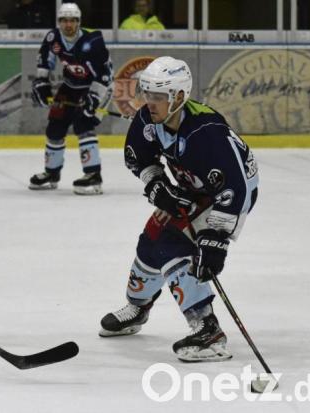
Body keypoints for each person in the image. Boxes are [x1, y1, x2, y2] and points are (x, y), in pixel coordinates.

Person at [98, 56, 259, 362]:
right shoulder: (148, 119)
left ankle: (208, 332)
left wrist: (216, 238)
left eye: (158, 97)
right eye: (147, 94)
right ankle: (138, 307)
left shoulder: (206, 134)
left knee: (175, 247)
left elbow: (234, 189)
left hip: (227, 194)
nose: (150, 103)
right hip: (192, 186)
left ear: (180, 97)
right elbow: (139, 158)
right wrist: (157, 186)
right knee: (151, 240)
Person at [29, 2, 112, 195]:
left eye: (72, 21)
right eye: (64, 21)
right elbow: (44, 61)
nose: (68, 25)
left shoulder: (93, 40)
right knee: (55, 126)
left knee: (83, 123)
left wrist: (93, 99)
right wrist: (41, 83)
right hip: (71, 86)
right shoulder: (53, 37)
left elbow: (104, 75)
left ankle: (93, 175)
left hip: (99, 86)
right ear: (59, 22)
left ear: (79, 22)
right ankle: (51, 174)